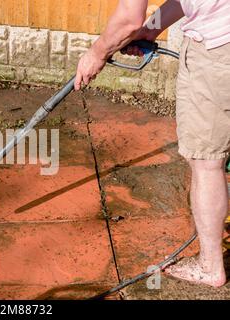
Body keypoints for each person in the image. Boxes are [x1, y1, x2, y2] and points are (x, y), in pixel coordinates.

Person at [75, 0, 230, 287]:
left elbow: (128, 18)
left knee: (207, 162)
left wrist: (96, 54)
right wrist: (152, 27)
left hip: (219, 48)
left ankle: (210, 267)